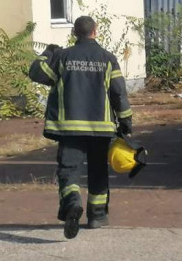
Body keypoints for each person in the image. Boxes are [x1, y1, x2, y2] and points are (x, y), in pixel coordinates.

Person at [29, 16, 132, 239]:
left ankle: (72, 204)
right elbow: (118, 92)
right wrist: (126, 121)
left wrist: (48, 52)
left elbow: (36, 73)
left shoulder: (62, 57)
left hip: (69, 128)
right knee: (98, 170)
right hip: (101, 129)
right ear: (95, 31)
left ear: (75, 33)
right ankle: (96, 216)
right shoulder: (108, 59)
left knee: (69, 169)